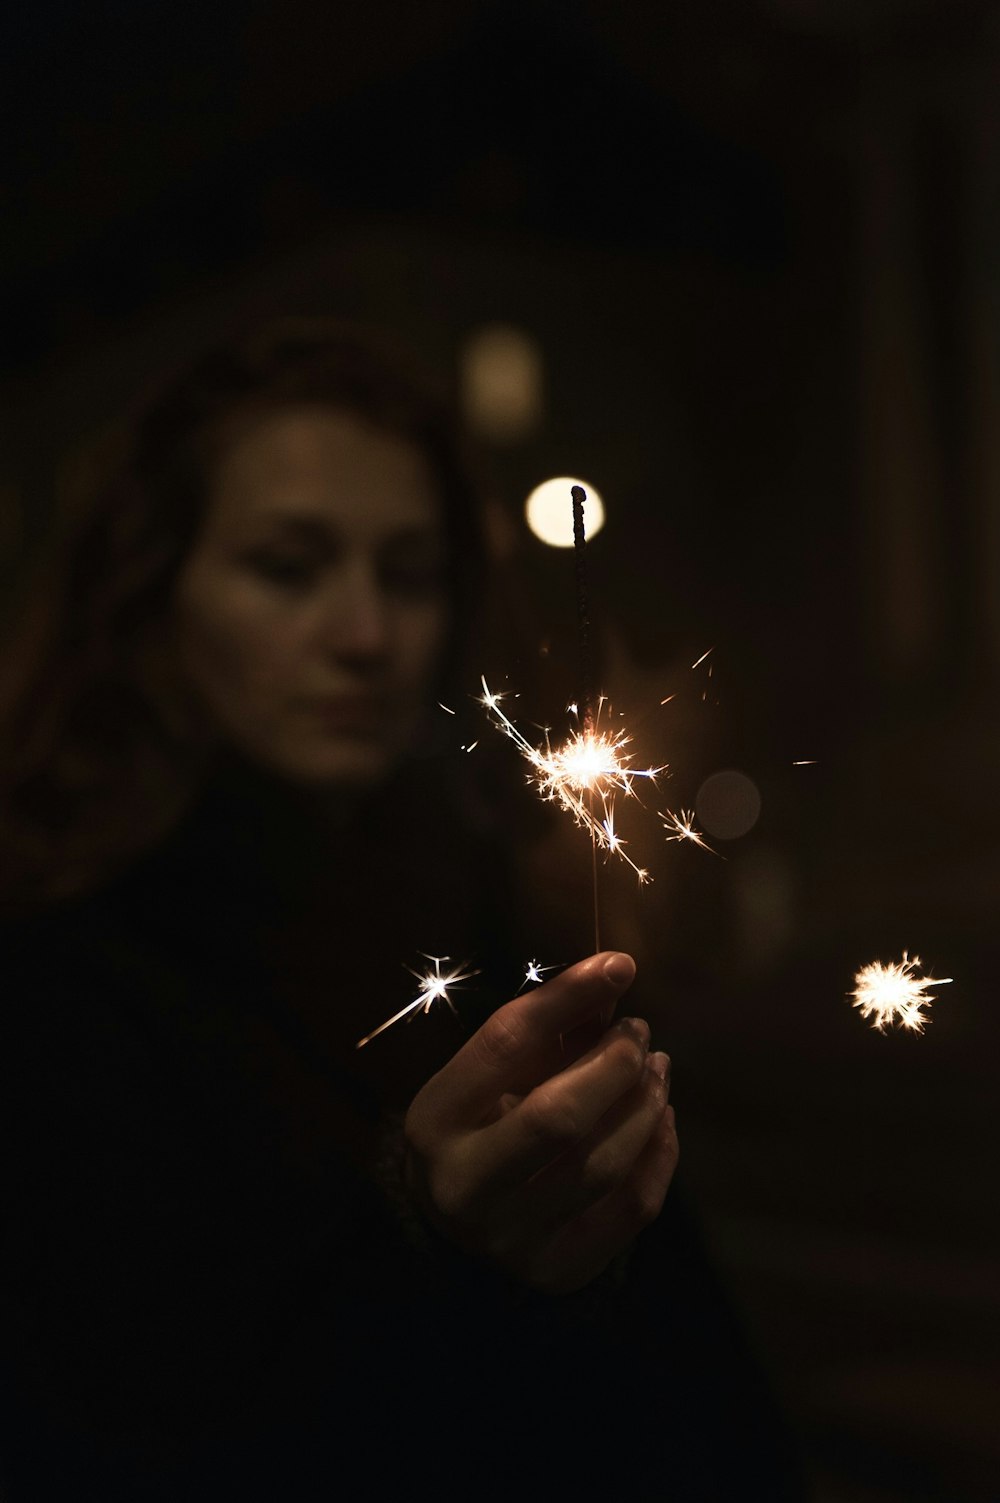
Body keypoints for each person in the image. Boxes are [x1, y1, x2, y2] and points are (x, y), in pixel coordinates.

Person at [0, 320, 802, 1500]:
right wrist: (434, 1248)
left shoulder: (508, 942)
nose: (366, 635)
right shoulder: (58, 985)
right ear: (153, 598)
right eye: (287, 566)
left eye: (410, 574)